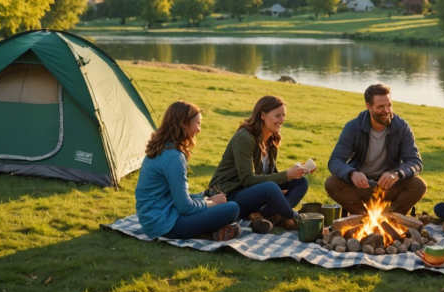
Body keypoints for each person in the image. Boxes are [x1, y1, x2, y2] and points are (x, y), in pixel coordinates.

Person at [135, 101, 241, 241]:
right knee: (232, 208)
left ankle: (209, 233)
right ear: (184, 125)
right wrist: (212, 203)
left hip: (151, 220)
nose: (199, 129)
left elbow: (173, 196)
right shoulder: (174, 157)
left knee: (212, 203)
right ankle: (207, 232)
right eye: (197, 124)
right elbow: (185, 207)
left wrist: (203, 198)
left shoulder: (160, 148)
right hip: (165, 225)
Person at [208, 95, 309, 232]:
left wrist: (296, 173)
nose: (282, 120)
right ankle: (293, 218)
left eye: (284, 115)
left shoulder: (272, 139)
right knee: (270, 188)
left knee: (300, 182)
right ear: (262, 115)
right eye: (277, 116)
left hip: (252, 192)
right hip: (229, 195)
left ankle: (261, 215)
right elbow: (248, 180)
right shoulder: (244, 138)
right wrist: (286, 175)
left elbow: (270, 175)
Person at [325, 83, 426, 215]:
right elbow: (335, 160)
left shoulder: (402, 127)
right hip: (362, 186)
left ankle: (390, 217)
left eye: (389, 105)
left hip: (389, 186)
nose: (387, 111)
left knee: (419, 185)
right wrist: (352, 174)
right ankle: (364, 216)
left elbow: (415, 161)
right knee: (332, 183)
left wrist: (396, 174)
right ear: (369, 106)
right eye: (381, 107)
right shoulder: (353, 127)